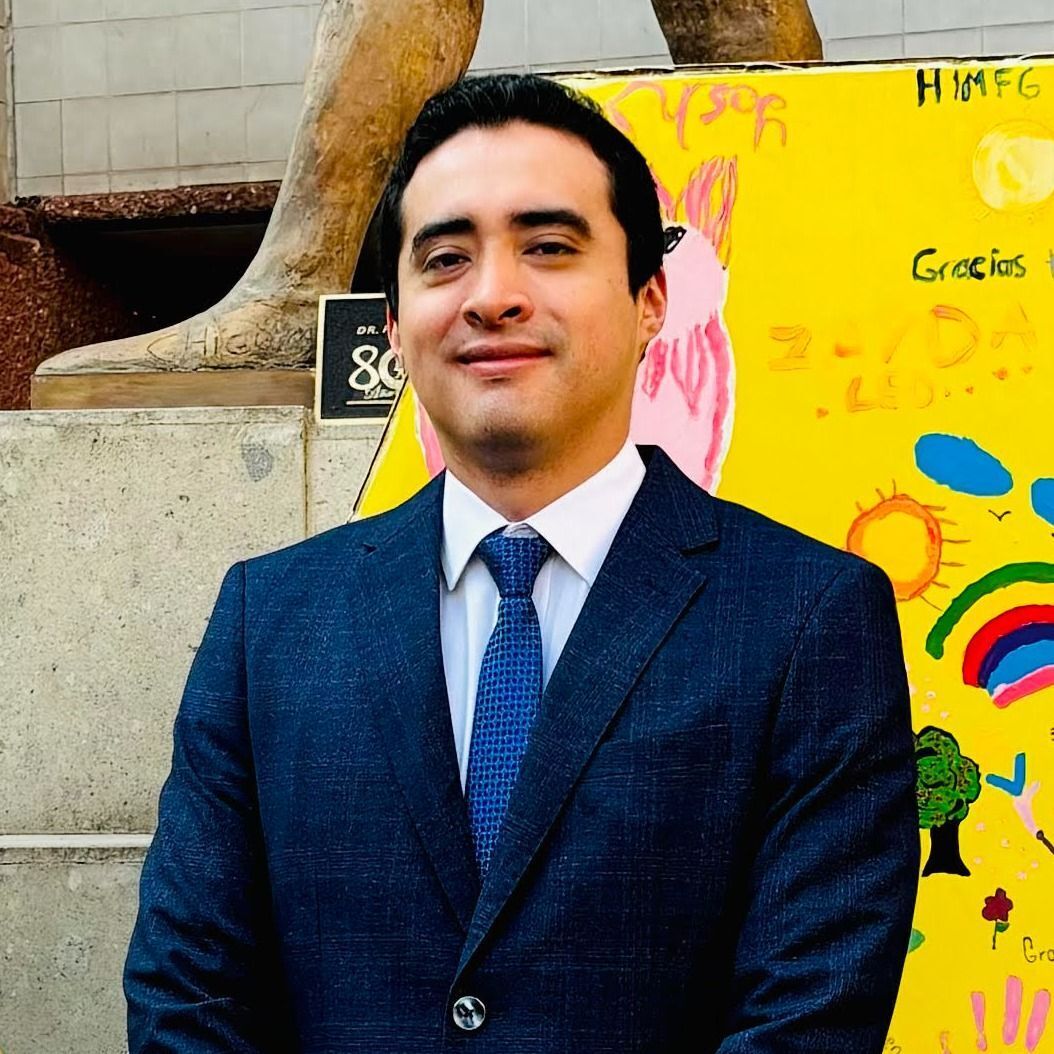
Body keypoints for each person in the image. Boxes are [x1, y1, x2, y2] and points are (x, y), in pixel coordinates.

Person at [124, 73, 920, 1053]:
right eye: (445, 258)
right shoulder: (273, 620)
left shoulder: (806, 616)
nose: (493, 296)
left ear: (650, 301)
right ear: (394, 326)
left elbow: (809, 1017)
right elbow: (188, 994)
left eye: (548, 247)